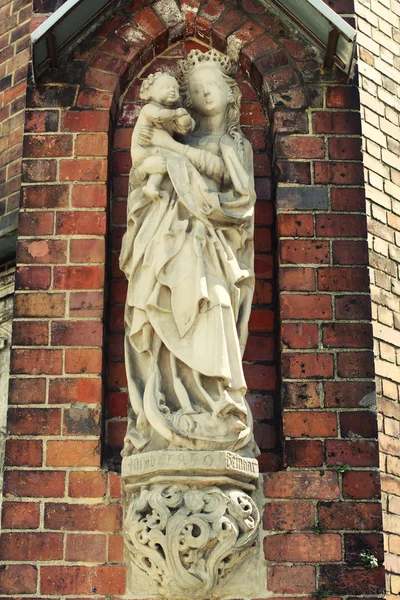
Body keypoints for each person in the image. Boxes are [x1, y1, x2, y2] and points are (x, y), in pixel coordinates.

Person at [120, 49, 257, 457]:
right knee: (162, 307)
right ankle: (165, 411)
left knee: (213, 304)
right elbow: (143, 187)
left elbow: (239, 196)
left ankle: (217, 405)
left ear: (228, 94)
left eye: (210, 86)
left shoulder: (235, 143)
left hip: (212, 246)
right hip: (167, 241)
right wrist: (166, 154)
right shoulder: (173, 135)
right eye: (195, 89)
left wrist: (173, 152)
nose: (204, 93)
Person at [130, 72, 195, 200]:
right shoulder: (149, 109)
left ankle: (152, 186)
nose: (172, 91)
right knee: (177, 159)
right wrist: (176, 113)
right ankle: (151, 185)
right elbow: (158, 115)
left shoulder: (169, 116)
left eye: (175, 88)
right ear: (150, 93)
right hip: (142, 151)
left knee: (163, 163)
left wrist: (185, 120)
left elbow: (184, 129)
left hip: (154, 152)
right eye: (166, 87)